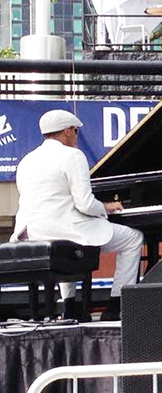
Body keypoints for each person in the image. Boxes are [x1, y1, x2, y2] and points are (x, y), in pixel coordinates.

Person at [10, 110, 144, 321]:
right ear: (67, 131)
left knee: (65, 244)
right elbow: (85, 204)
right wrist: (105, 207)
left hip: (34, 232)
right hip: (66, 230)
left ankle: (69, 307)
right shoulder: (73, 156)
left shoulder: (27, 160)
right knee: (132, 238)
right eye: (76, 131)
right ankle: (116, 305)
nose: (76, 136)